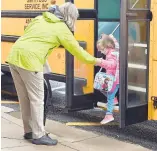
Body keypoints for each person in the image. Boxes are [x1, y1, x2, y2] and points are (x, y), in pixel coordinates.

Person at [6, 2, 101, 145]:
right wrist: (97, 61)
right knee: (37, 100)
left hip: (14, 56)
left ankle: (29, 131)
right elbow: (78, 51)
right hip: (30, 62)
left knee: (24, 98)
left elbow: (32, 39)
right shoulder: (61, 29)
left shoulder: (40, 18)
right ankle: (38, 135)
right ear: (71, 17)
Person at [96, 33, 119, 124]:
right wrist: (109, 37)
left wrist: (100, 62)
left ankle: (109, 115)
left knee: (108, 95)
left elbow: (112, 64)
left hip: (113, 79)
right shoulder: (113, 50)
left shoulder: (111, 54)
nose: (101, 52)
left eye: (102, 50)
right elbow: (115, 43)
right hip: (114, 78)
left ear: (106, 46)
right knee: (105, 90)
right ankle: (114, 100)